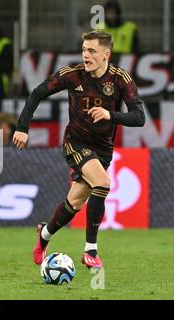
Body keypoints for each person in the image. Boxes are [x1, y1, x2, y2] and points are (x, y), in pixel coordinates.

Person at [13, 30, 145, 269]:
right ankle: (90, 251)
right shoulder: (72, 75)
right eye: (84, 50)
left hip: (103, 150)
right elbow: (37, 93)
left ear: (106, 55)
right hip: (75, 143)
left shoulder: (120, 79)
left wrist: (110, 115)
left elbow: (139, 117)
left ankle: (44, 235)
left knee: (74, 203)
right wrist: (22, 127)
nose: (86, 55)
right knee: (103, 183)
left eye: (92, 51)